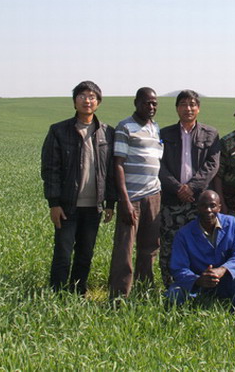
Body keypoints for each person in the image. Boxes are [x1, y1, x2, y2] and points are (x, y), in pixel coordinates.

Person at [41, 81, 116, 294]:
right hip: (67, 205)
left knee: (85, 254)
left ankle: (78, 292)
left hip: (94, 206)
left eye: (92, 97)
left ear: (98, 102)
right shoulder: (59, 130)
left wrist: (110, 203)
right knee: (63, 253)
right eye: (82, 96)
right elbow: (50, 169)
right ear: (74, 101)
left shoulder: (107, 133)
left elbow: (111, 170)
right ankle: (56, 293)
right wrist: (54, 203)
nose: (87, 100)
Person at [158, 90, 220, 288]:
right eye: (183, 104)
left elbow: (212, 164)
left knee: (200, 244)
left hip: (199, 202)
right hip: (171, 201)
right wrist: (178, 188)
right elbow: (159, 164)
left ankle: (199, 286)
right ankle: (170, 286)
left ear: (198, 108)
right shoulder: (164, 134)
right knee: (169, 245)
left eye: (192, 104)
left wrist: (192, 188)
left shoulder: (210, 134)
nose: (188, 108)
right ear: (177, 108)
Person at [108, 87, 163, 298]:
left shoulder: (155, 128)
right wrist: (124, 200)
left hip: (154, 195)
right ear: (136, 103)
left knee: (150, 247)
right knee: (124, 248)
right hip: (132, 198)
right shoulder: (125, 127)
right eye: (146, 102)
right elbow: (118, 164)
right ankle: (119, 296)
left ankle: (143, 292)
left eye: (154, 103)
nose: (151, 106)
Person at [165, 191, 235, 311]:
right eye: (204, 206)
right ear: (197, 207)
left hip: (225, 280)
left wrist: (223, 269)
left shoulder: (231, 223)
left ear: (219, 207)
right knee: (174, 293)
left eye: (212, 206)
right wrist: (197, 280)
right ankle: (186, 314)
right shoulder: (184, 234)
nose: (208, 210)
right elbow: (178, 268)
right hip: (197, 284)